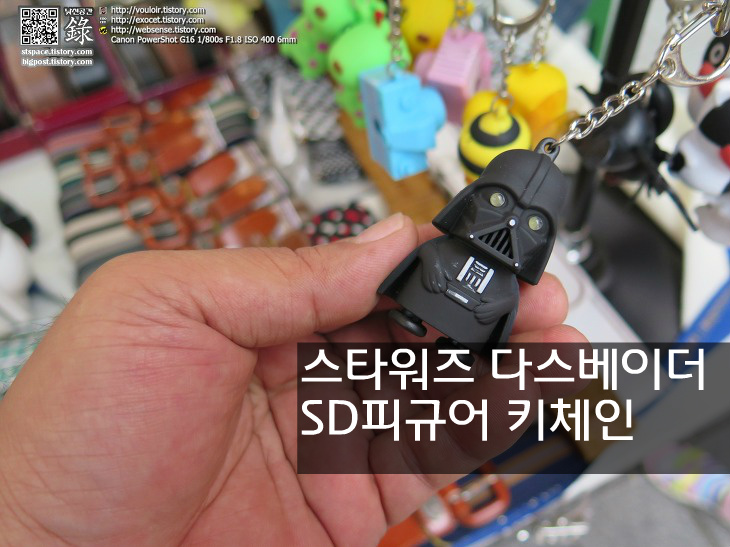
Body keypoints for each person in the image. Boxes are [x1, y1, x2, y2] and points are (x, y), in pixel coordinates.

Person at [0, 214, 587, 547]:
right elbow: (393, 278)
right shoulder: (446, 260)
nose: (510, 227)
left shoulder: (499, 289)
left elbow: (494, 334)